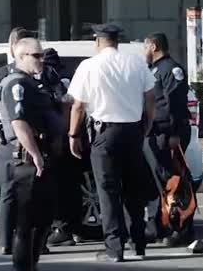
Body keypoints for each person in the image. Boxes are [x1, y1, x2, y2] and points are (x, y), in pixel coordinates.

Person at [67, 24, 156, 262]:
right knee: (133, 191)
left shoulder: (89, 66)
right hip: (133, 132)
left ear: (98, 41)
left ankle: (114, 249)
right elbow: (150, 95)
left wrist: (73, 135)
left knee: (108, 192)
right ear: (117, 41)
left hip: (104, 134)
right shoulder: (136, 62)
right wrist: (147, 123)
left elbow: (78, 105)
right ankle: (139, 243)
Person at [0, 38, 60, 271]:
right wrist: (35, 154)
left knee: (42, 219)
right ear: (21, 56)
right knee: (26, 223)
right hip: (27, 162)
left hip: (40, 158)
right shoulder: (17, 85)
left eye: (42, 55)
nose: (41, 60)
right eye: (36, 56)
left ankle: (31, 264)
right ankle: (24, 267)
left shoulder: (31, 83)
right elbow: (19, 122)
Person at [0, 27, 37, 256]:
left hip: (9, 142)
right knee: (30, 197)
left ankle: (6, 241)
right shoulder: (27, 75)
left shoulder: (2, 73)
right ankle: (31, 243)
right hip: (25, 139)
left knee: (8, 194)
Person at [143, 33, 193, 246]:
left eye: (144, 47)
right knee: (156, 182)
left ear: (153, 46)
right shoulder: (153, 70)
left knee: (173, 182)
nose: (143, 52)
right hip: (154, 134)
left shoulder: (172, 70)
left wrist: (174, 134)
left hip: (169, 134)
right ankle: (157, 226)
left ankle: (180, 228)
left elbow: (175, 104)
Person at [41, 48, 82, 247]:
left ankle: (63, 228)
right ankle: (74, 228)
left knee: (60, 188)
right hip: (73, 139)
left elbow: (64, 107)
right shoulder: (67, 79)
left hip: (60, 141)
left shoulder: (52, 81)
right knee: (72, 187)